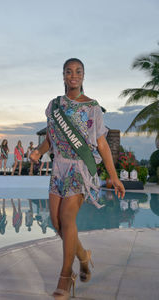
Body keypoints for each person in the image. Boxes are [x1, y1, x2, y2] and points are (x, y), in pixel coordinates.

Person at [30, 58, 125, 299]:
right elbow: (50, 138)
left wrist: (113, 177)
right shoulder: (54, 106)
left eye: (78, 72)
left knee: (67, 217)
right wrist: (39, 152)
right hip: (59, 167)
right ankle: (84, 256)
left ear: (83, 76)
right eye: (69, 71)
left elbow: (102, 143)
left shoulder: (92, 107)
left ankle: (65, 275)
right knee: (57, 223)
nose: (73, 75)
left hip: (80, 169)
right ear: (63, 76)